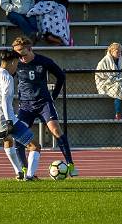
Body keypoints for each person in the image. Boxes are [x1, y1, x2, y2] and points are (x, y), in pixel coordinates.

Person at [11, 36, 78, 177]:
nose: (19, 56)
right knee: (19, 136)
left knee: (56, 130)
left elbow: (61, 76)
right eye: (16, 53)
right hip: (25, 106)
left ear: (29, 49)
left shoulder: (43, 61)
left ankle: (71, 165)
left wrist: (53, 96)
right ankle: (24, 169)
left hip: (43, 103)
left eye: (21, 52)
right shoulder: (15, 63)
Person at [0, 49, 41, 181]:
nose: (16, 67)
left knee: (8, 141)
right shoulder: (7, 77)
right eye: (16, 63)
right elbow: (5, 101)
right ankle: (30, 176)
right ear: (11, 62)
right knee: (35, 146)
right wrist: (10, 121)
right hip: (5, 119)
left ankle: (19, 172)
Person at [95, 42, 122, 120]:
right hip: (105, 84)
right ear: (111, 51)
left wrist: (120, 79)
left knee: (119, 87)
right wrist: (118, 79)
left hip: (117, 83)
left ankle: (118, 114)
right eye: (117, 51)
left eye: (120, 51)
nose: (119, 53)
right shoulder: (104, 61)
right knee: (119, 85)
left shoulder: (120, 60)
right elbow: (105, 77)